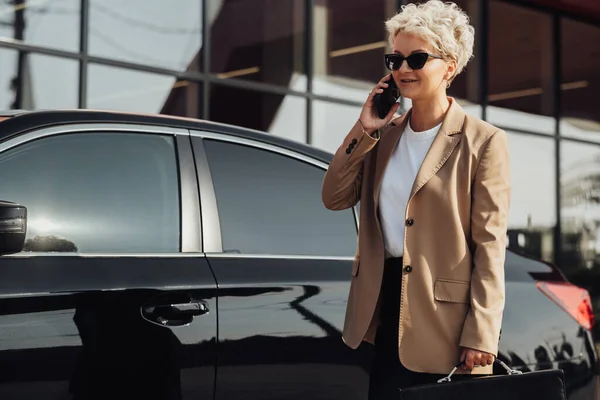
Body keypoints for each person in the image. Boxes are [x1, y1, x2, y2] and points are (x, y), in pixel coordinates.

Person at [321, 1, 511, 398]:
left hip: (447, 322)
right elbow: (335, 196)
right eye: (396, 58)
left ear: (451, 65)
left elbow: (490, 246)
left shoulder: (484, 142)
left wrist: (482, 333)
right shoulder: (382, 137)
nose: (403, 69)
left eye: (417, 58)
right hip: (384, 310)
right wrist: (365, 127)